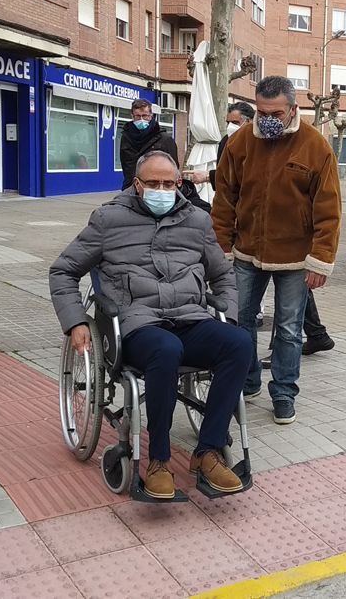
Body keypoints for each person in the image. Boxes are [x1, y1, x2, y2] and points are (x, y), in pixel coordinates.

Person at [49, 151, 249, 500]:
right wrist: (75, 321)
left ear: (179, 183)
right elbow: (63, 270)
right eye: (153, 183)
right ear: (137, 184)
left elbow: (223, 276)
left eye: (169, 184)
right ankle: (158, 460)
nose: (162, 190)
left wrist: (227, 315)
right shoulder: (109, 220)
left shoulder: (197, 221)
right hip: (137, 323)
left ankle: (208, 450)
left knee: (239, 343)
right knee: (166, 349)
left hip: (189, 316)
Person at [211, 75, 341, 425]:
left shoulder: (315, 146)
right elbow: (224, 199)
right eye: (260, 111)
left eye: (275, 113)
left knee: (287, 329)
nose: (266, 119)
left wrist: (321, 260)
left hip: (296, 257)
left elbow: (328, 209)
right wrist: (222, 248)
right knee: (240, 324)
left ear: (294, 109)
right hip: (246, 252)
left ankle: (283, 393)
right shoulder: (240, 143)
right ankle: (248, 381)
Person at [190, 101, 255, 191]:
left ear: (249, 121)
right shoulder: (225, 141)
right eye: (228, 123)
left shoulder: (259, 142)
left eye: (235, 123)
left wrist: (208, 176)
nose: (230, 127)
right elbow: (223, 172)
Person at [119, 99, 178, 189]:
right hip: (131, 187)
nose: (141, 119)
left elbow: (174, 168)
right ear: (132, 116)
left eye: (145, 116)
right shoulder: (126, 137)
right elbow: (125, 165)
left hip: (156, 188)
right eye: (138, 116)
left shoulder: (164, 139)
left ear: (151, 116)